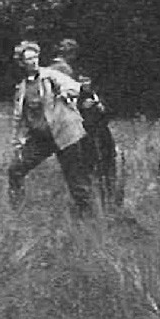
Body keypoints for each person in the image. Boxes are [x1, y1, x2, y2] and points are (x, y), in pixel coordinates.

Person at [8, 40, 93, 216]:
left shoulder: (51, 75)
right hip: (42, 138)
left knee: (76, 179)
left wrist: (65, 92)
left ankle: (87, 216)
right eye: (28, 59)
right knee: (15, 169)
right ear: (22, 63)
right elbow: (19, 118)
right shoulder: (22, 88)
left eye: (35, 57)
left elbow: (75, 88)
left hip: (65, 132)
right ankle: (17, 211)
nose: (33, 61)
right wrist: (17, 142)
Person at [50, 38, 121, 209]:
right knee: (91, 165)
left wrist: (96, 103)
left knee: (92, 165)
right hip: (82, 127)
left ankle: (100, 202)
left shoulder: (52, 71)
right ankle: (95, 205)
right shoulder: (63, 71)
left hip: (81, 127)